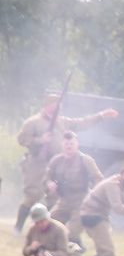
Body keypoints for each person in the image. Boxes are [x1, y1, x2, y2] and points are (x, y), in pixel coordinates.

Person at [14, 92, 118, 233]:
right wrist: (40, 140)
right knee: (32, 195)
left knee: (54, 197)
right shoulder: (33, 122)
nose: (56, 108)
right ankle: (18, 227)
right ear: (46, 106)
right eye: (53, 105)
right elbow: (21, 139)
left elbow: (81, 123)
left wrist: (101, 116)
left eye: (58, 105)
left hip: (56, 163)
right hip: (36, 163)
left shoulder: (61, 121)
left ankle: (50, 229)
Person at [45, 131, 103, 245]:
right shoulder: (57, 160)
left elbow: (98, 179)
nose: (69, 146)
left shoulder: (85, 160)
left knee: (72, 233)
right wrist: (49, 183)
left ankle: (76, 253)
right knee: (47, 225)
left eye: (71, 143)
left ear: (77, 144)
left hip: (81, 201)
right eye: (66, 143)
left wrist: (94, 198)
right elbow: (47, 176)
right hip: (63, 200)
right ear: (62, 145)